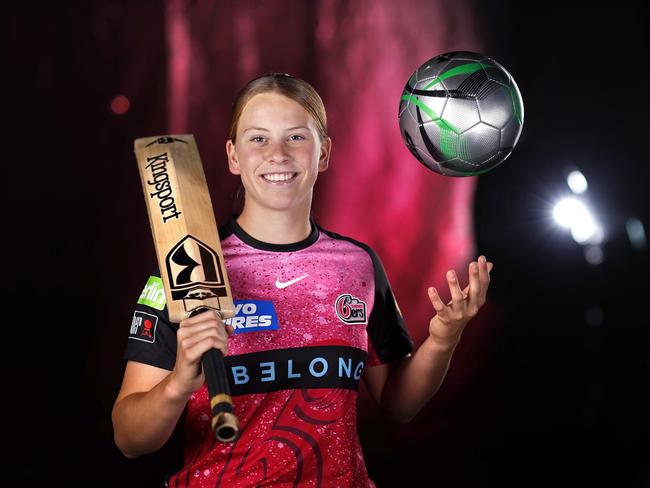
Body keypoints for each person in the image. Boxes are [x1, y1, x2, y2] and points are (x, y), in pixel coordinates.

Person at [112, 73, 493, 487]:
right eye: (258, 139)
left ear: (323, 153)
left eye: (296, 137)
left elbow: (397, 404)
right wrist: (178, 385)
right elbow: (130, 440)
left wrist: (442, 340)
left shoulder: (358, 265)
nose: (277, 154)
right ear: (233, 156)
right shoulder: (185, 267)